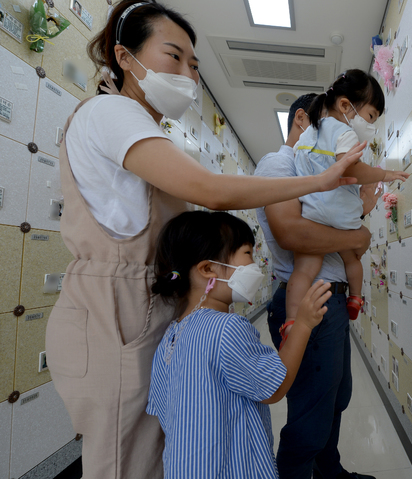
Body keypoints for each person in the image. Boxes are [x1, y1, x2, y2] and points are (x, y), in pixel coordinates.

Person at [44, 1, 365, 478]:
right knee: (124, 462)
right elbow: (212, 191)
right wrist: (322, 182)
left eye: (193, 64)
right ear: (124, 57)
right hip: (115, 311)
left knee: (161, 456)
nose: (187, 74)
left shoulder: (147, 128)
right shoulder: (110, 112)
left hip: (148, 302)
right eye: (172, 56)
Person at [145, 211, 331, 478]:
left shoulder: (171, 335)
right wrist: (302, 324)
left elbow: (164, 410)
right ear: (208, 269)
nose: (255, 265)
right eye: (247, 254)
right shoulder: (226, 328)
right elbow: (274, 387)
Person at [255, 93, 382, 479]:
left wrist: (357, 218)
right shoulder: (281, 163)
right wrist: (355, 237)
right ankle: (295, 472)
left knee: (335, 400)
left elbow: (338, 221)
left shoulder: (319, 169)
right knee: (310, 417)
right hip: (306, 301)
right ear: (302, 120)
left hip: (333, 302)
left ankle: (330, 471)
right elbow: (292, 232)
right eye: (332, 125)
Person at [283, 69, 409, 340]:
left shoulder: (306, 136)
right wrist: (385, 174)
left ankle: (292, 321)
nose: (372, 125)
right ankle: (355, 298)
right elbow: (352, 169)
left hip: (312, 215)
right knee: (351, 259)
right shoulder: (344, 132)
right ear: (345, 105)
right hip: (341, 218)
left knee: (303, 270)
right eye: (371, 116)